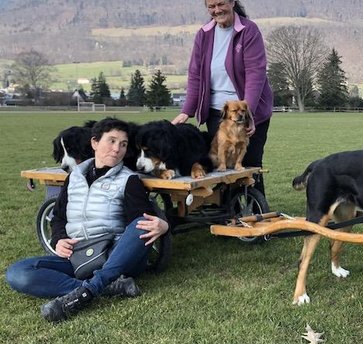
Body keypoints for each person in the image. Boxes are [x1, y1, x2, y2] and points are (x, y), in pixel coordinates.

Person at [6, 117, 169, 322]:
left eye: (123, 144)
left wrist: (163, 225)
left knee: (140, 225)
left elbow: (141, 222)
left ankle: (89, 291)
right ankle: (109, 288)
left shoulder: (129, 180)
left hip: (112, 256)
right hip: (77, 256)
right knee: (17, 273)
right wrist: (58, 239)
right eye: (111, 141)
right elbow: (58, 217)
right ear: (94, 143)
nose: (117, 149)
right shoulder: (73, 178)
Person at [172, 0, 273, 194]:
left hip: (247, 109)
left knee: (249, 164)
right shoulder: (204, 34)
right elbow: (195, 75)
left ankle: (257, 208)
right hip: (219, 114)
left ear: (232, 2)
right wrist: (187, 111)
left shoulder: (248, 31)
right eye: (211, 6)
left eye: (221, 4)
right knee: (221, 163)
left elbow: (255, 73)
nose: (217, 10)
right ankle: (227, 212)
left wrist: (248, 114)